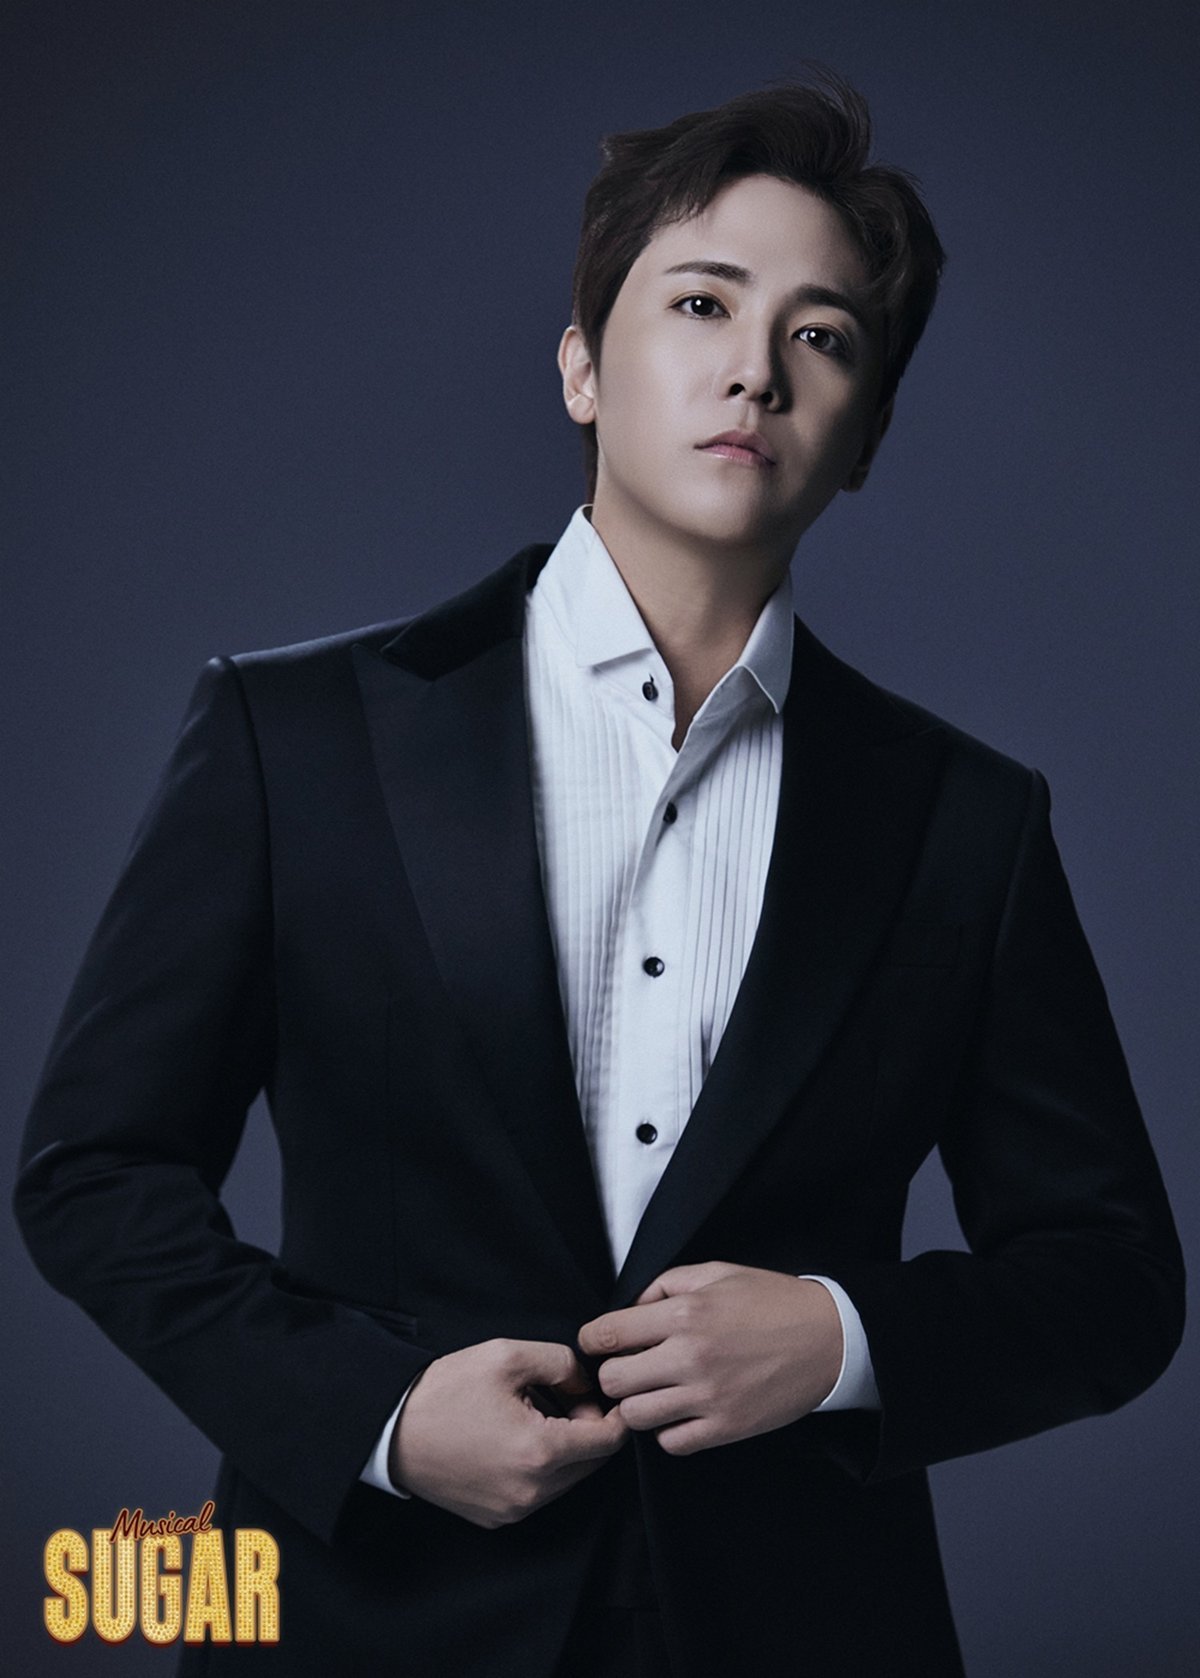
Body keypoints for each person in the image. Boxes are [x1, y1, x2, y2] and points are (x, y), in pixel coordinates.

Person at [15, 72, 1183, 1678]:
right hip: (368, 1622)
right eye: (702, 302)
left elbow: (1115, 1279)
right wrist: (379, 1413)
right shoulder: (297, 738)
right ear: (580, 364)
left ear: (864, 437)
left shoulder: (964, 821)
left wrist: (841, 1336)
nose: (756, 368)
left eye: (824, 336)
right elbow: (94, 1172)